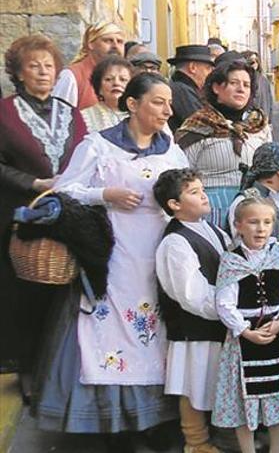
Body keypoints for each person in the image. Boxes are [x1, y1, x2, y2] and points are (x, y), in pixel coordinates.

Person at [34, 72, 185, 448]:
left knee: (157, 331)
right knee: (110, 331)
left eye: (169, 102)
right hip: (114, 253)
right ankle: (112, 423)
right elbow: (65, 189)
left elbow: (185, 189)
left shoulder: (171, 149)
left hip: (158, 252)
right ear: (132, 105)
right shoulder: (99, 146)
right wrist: (106, 194)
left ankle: (153, 419)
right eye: (158, 102)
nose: (168, 110)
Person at [0, 34, 87, 401]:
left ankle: (63, 370)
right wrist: (34, 182)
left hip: (65, 214)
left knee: (66, 295)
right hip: (20, 214)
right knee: (24, 294)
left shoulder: (70, 113)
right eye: (33, 66)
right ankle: (28, 368)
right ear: (18, 73)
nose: (41, 72)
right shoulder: (4, 112)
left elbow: (86, 155)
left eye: (48, 66)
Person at [212, 197, 279, 453]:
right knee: (245, 397)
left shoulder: (278, 255)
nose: (261, 228)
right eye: (253, 222)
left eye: (267, 222)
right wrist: (244, 331)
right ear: (238, 225)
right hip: (244, 338)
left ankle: (276, 449)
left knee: (277, 392)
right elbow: (224, 302)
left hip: (277, 332)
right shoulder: (231, 260)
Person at [153, 168, 230, 453]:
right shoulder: (175, 242)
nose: (204, 196)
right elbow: (189, 293)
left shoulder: (210, 228)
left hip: (215, 323)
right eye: (194, 193)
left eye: (202, 190)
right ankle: (195, 442)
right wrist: (226, 309)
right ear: (174, 204)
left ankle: (220, 439)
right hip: (194, 327)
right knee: (192, 383)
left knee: (210, 382)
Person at [176, 59, 271, 229]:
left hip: (253, 210)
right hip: (211, 210)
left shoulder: (258, 125)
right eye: (234, 83)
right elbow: (182, 174)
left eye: (246, 85)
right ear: (216, 87)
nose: (241, 89)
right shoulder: (199, 125)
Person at [52, 21, 125, 110]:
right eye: (108, 41)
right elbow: (59, 117)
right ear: (90, 44)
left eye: (120, 42)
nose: (115, 46)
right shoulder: (71, 76)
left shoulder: (127, 79)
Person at [168, 44, 215, 132]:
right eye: (207, 68)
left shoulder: (181, 86)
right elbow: (202, 124)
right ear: (192, 67)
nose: (210, 73)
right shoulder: (181, 90)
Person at [81, 55, 133, 132]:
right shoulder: (84, 117)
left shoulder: (139, 116)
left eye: (123, 79)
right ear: (99, 87)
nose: (116, 83)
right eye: (108, 79)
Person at [244, 51, 274, 124]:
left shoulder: (263, 80)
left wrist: (269, 120)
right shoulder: (246, 79)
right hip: (256, 120)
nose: (254, 64)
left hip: (258, 121)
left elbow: (269, 101)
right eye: (251, 61)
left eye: (256, 61)